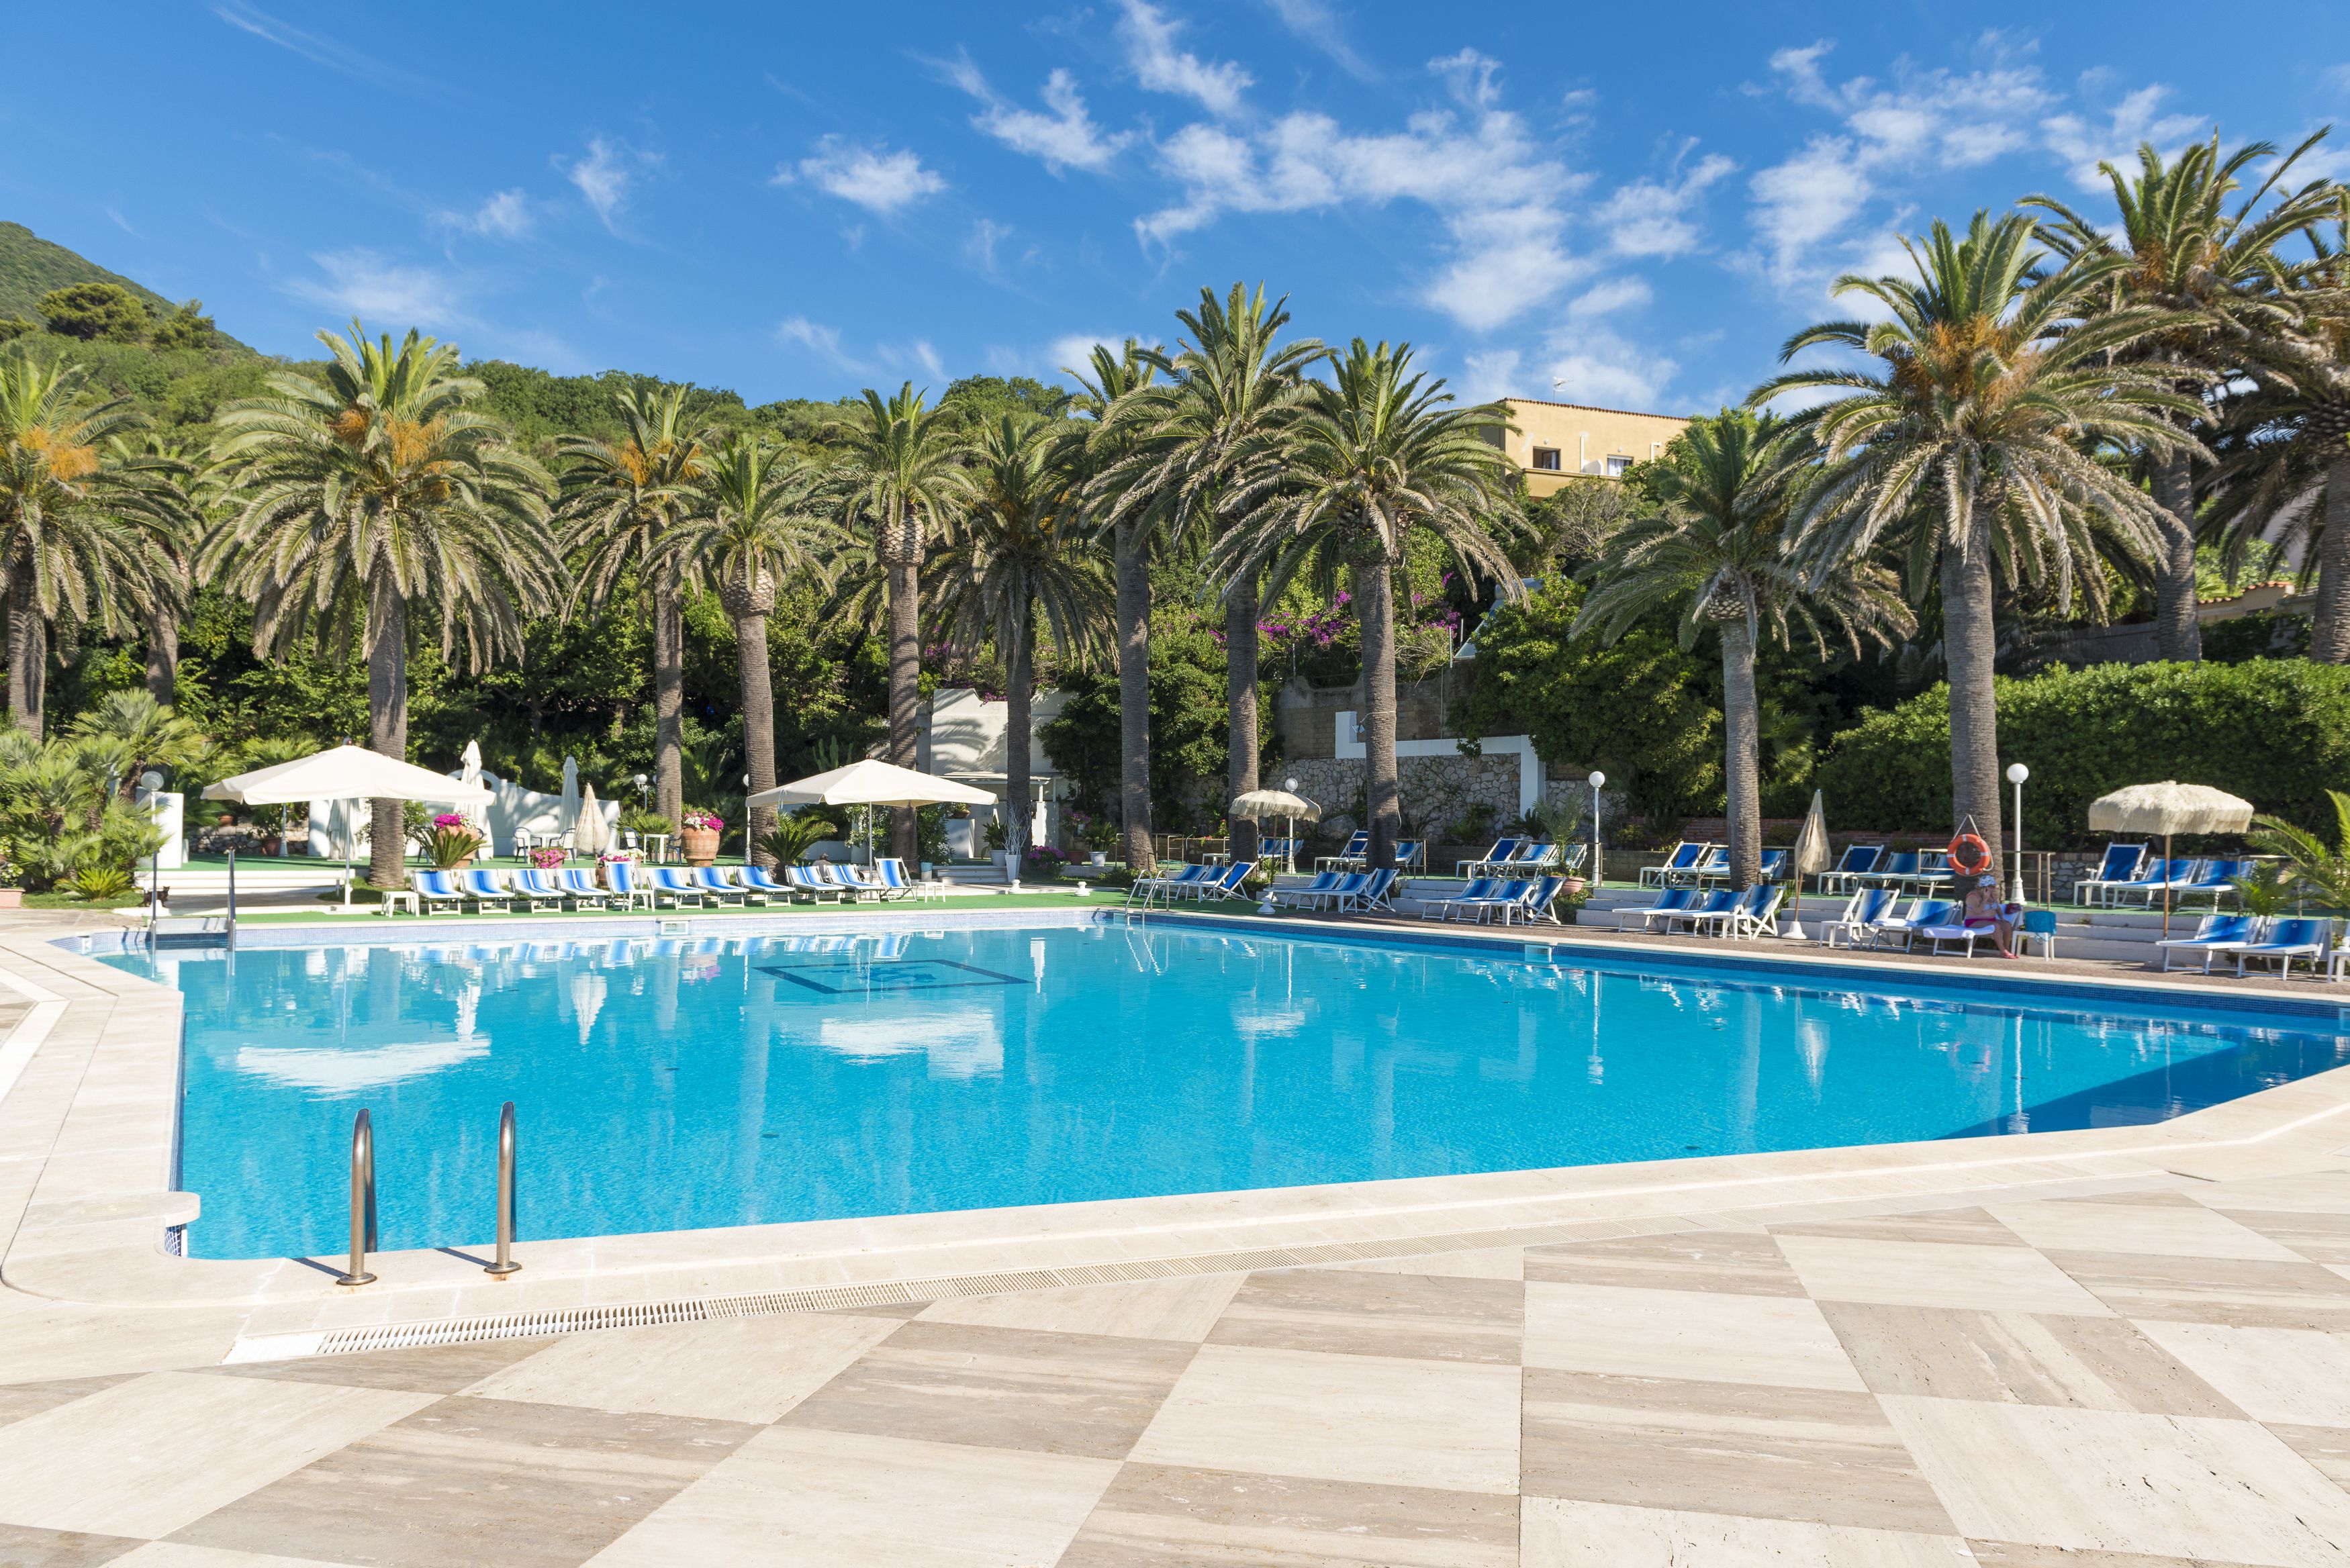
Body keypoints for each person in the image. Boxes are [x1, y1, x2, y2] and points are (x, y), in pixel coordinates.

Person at [1961, 871, 2022, 958]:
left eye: (1994, 887)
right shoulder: (1973, 896)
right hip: (1973, 921)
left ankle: (2007, 949)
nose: (1993, 889)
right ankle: (2003, 951)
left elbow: (1997, 908)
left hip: (1990, 921)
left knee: (2007, 925)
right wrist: (1985, 900)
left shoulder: (1992, 895)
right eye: (1991, 887)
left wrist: (2002, 917)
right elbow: (1977, 911)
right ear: (1984, 887)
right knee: (1995, 926)